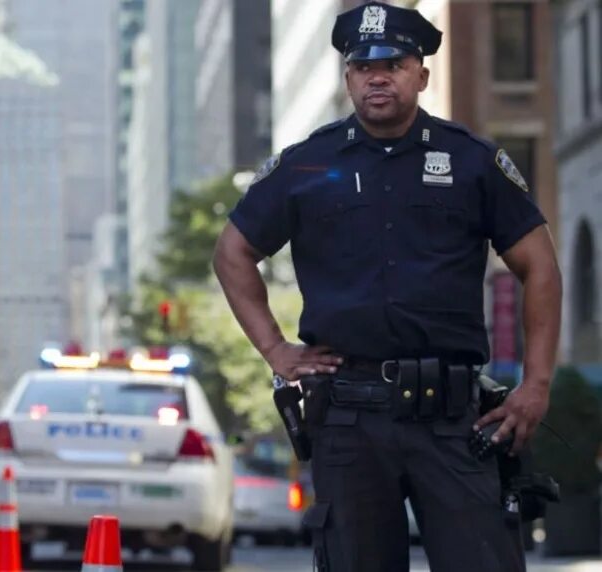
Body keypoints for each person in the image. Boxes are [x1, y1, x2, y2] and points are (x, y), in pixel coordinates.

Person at [212, 2, 561, 571]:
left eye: (394, 63)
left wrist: (536, 386)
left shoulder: (471, 162)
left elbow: (540, 267)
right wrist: (275, 350)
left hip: (453, 422)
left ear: (420, 75)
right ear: (347, 77)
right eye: (361, 65)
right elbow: (233, 252)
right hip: (349, 419)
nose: (376, 75)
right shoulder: (307, 166)